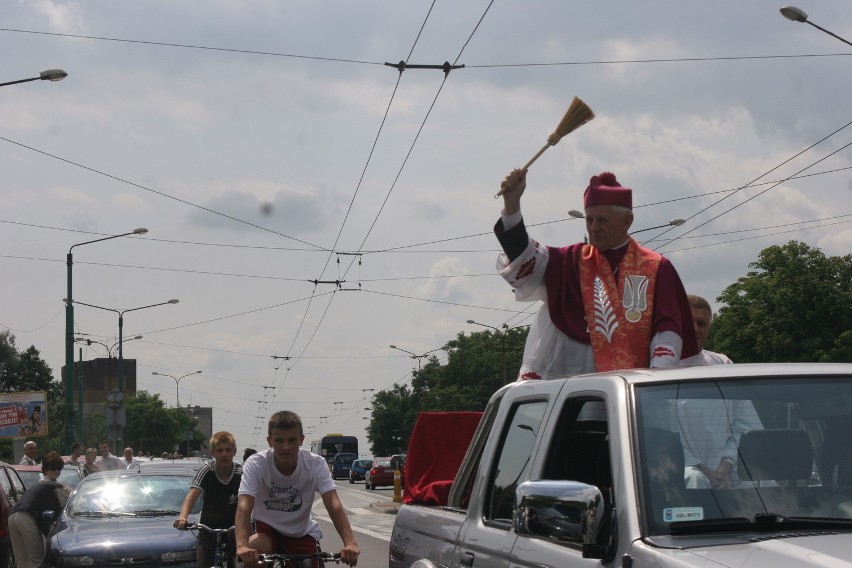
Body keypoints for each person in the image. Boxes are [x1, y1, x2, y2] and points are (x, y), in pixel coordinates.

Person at [495, 169, 699, 380]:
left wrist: (657, 378)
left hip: (630, 384)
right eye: (589, 220)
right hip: (566, 382)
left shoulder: (657, 267)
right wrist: (512, 205)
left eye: (602, 220)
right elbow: (525, 255)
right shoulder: (569, 261)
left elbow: (666, 326)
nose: (593, 228)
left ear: (627, 221)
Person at [235, 411, 359, 567]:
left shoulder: (316, 464)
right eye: (279, 441)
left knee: (309, 562)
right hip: (265, 529)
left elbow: (333, 504)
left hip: (299, 532)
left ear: (301, 440)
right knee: (256, 549)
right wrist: (242, 545)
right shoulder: (256, 463)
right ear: (269, 441)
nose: (285, 447)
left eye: (292, 440)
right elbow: (244, 505)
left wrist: (350, 543)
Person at [677, 294, 762, 488]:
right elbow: (662, 435)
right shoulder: (659, 368)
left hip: (727, 470)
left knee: (762, 483)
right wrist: (703, 469)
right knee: (694, 480)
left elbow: (744, 426)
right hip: (682, 469)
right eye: (690, 323)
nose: (696, 329)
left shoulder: (722, 365)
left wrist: (727, 465)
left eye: (702, 323)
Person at [175, 432, 243, 568]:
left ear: (234, 452)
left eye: (228, 450)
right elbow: (193, 495)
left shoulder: (241, 473)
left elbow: (250, 499)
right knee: (204, 562)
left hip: (235, 526)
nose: (224, 454)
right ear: (213, 452)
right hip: (209, 526)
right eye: (220, 450)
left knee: (241, 561)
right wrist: (183, 517)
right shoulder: (207, 470)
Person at [8, 451, 70, 568]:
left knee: (21, 562)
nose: (56, 471)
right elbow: (68, 506)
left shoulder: (39, 484)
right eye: (52, 468)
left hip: (12, 517)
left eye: (59, 468)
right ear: (45, 469)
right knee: (37, 560)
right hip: (26, 519)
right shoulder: (55, 487)